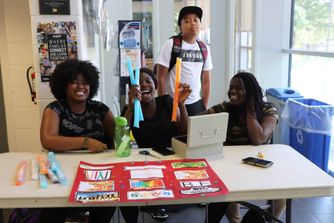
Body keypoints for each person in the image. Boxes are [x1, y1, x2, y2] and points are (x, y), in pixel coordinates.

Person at [39, 59, 138, 223]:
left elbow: (119, 137)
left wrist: (131, 106)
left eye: (85, 83)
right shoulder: (55, 109)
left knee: (104, 209)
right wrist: (85, 142)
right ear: (64, 85)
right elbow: (48, 140)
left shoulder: (99, 109)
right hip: (63, 174)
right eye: (74, 82)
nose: (80, 87)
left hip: (98, 174)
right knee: (51, 213)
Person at [201, 72, 285, 223]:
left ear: (251, 92)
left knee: (282, 193)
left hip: (259, 166)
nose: (232, 91)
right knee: (224, 192)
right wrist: (181, 104)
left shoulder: (268, 110)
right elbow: (196, 122)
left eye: (238, 88)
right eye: (231, 87)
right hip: (230, 168)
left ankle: (268, 220)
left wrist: (250, 111)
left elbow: (258, 138)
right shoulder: (225, 108)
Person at [123, 67, 191, 220]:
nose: (144, 85)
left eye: (148, 81)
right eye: (139, 83)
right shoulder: (131, 110)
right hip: (145, 162)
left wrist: (181, 105)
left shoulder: (167, 102)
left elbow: (184, 133)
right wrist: (131, 106)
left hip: (172, 159)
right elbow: (122, 141)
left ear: (155, 85)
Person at [156, 6, 213, 116]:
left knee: (195, 133)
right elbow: (160, 78)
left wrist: (204, 106)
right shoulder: (171, 44)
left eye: (196, 20)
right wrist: (162, 106)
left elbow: (206, 81)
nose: (192, 23)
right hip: (173, 102)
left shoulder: (204, 48)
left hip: (195, 103)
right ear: (180, 27)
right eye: (187, 21)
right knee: (174, 133)